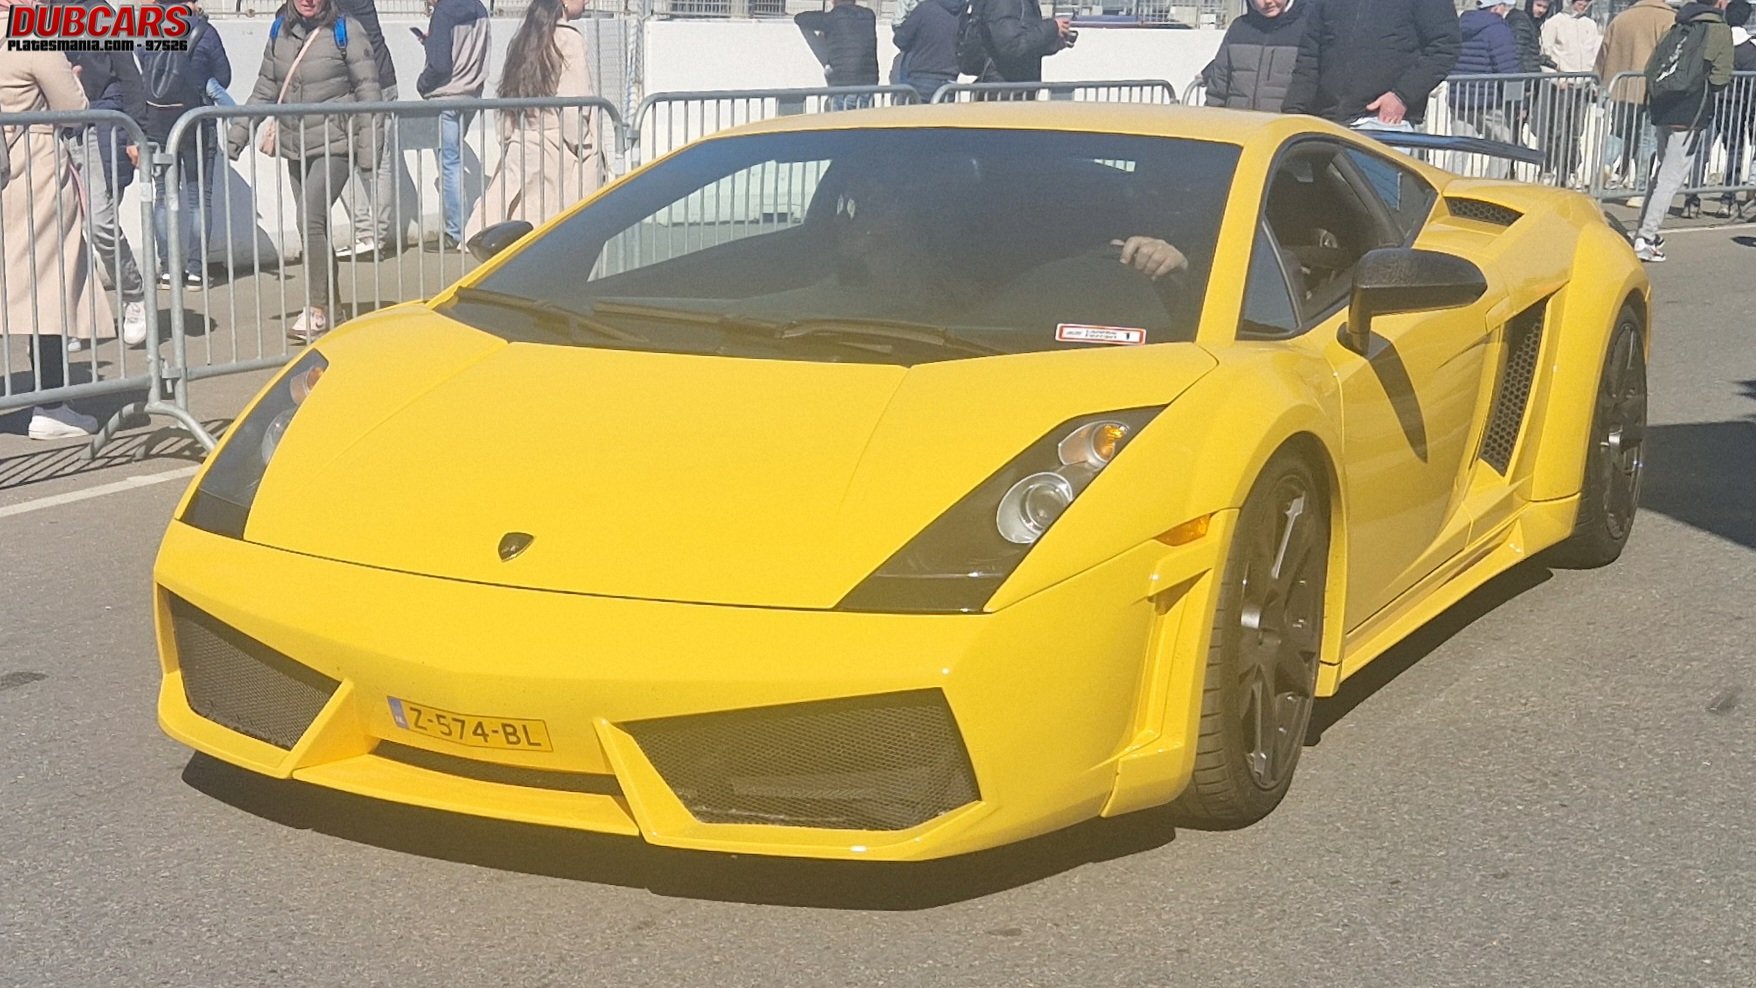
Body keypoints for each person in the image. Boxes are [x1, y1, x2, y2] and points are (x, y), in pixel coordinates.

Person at [227, 0, 383, 342]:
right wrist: (238, 134)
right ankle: (334, 308)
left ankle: (315, 309)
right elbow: (265, 88)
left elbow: (369, 92)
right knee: (317, 226)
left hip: (336, 142)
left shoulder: (346, 30)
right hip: (295, 143)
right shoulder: (280, 29)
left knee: (309, 219)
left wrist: (369, 153)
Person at [1, 0, 113, 440]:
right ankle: (50, 404)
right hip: (33, 172)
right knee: (45, 288)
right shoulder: (31, 34)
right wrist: (74, 79)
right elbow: (72, 104)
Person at [467, 0, 604, 237]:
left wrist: (509, 139)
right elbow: (573, 104)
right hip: (555, 155)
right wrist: (583, 147)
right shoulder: (568, 39)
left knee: (509, 233)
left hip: (520, 148)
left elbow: (506, 95)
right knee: (547, 237)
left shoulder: (523, 39)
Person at [64, 0, 147, 347]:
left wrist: (136, 134)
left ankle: (134, 297)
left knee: (100, 222)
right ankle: (77, 318)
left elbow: (130, 75)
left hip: (99, 125)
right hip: (54, 129)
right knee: (63, 232)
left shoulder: (101, 14)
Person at [1633, 0, 1734, 262]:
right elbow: (1722, 76)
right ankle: (1646, 235)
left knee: (1662, 171)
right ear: (1719, 3)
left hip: (1664, 104)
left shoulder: (1678, 24)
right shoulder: (1718, 29)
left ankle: (1645, 232)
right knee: (1672, 177)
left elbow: (1654, 63)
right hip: (1691, 109)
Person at [141, 0, 229, 297]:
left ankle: (166, 269)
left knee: (164, 196)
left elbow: (143, 71)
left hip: (157, 124)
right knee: (197, 198)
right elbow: (224, 75)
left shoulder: (147, 29)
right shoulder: (205, 32)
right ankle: (195, 271)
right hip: (196, 125)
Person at [1284, 0, 1461, 131]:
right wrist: (1293, 112)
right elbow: (1309, 56)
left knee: (1374, 182)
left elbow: (1445, 47)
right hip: (1326, 119)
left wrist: (1401, 96)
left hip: (1383, 121)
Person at [416, 0, 491, 251]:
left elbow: (440, 65)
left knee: (449, 164)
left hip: (445, 96)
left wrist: (422, 84)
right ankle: (464, 228)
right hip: (471, 94)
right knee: (454, 160)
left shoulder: (444, 11)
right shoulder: (480, 8)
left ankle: (455, 232)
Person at [335, 0, 400, 260]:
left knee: (341, 155)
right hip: (384, 76)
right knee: (380, 162)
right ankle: (378, 237)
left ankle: (366, 235)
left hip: (359, 83)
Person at [1597, 0, 1675, 189]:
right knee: (1648, 140)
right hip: (1652, 89)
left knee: (1618, 132)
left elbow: (1604, 52)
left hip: (1621, 86)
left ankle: (1605, 165)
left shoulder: (1621, 18)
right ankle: (1639, 187)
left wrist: (1602, 79)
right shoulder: (1669, 19)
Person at [1199, 0, 1310, 112]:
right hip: (1238, 122)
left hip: (1284, 124)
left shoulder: (1308, 28)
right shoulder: (1239, 28)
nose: (1267, 1)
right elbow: (1219, 82)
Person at [1450, 0, 1521, 176]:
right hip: (1488, 100)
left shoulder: (1461, 25)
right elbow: (1508, 67)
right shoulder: (1498, 29)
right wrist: (1519, 102)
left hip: (1459, 96)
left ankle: (1449, 185)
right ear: (1496, 7)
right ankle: (1491, 188)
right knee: (1503, 146)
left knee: (1460, 147)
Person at [1539, 0, 1601, 185]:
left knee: (1576, 131)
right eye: (1581, 1)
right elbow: (1545, 55)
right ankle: (1547, 170)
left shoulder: (1590, 25)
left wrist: (1594, 80)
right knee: (1556, 130)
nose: (1584, 4)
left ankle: (1571, 170)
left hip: (1583, 85)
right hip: (1562, 84)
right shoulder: (1554, 23)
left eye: (1587, 2)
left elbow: (1594, 55)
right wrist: (1555, 78)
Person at [794, 0, 879, 109]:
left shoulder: (833, 18)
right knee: (864, 122)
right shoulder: (869, 16)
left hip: (843, 85)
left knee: (841, 122)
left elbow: (800, 18)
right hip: (869, 85)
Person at [974, 0, 1073, 90]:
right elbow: (1012, 46)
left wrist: (1049, 45)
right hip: (1002, 91)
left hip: (1019, 88)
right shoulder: (1004, 3)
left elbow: (1024, 42)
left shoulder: (1025, 3)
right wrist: (1052, 27)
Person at [892, 0, 960, 103]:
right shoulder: (961, 11)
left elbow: (901, 40)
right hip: (950, 78)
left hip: (922, 75)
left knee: (917, 117)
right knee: (942, 118)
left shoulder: (924, 9)